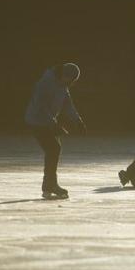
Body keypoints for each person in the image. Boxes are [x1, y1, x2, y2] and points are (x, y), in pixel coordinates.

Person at [24, 63, 86, 199]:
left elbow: (67, 104)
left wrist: (77, 120)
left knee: (54, 149)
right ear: (64, 75)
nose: (70, 83)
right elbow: (40, 106)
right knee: (54, 148)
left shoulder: (63, 85)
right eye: (70, 80)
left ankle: (49, 184)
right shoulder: (46, 83)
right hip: (36, 121)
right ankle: (50, 185)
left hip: (47, 122)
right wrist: (53, 124)